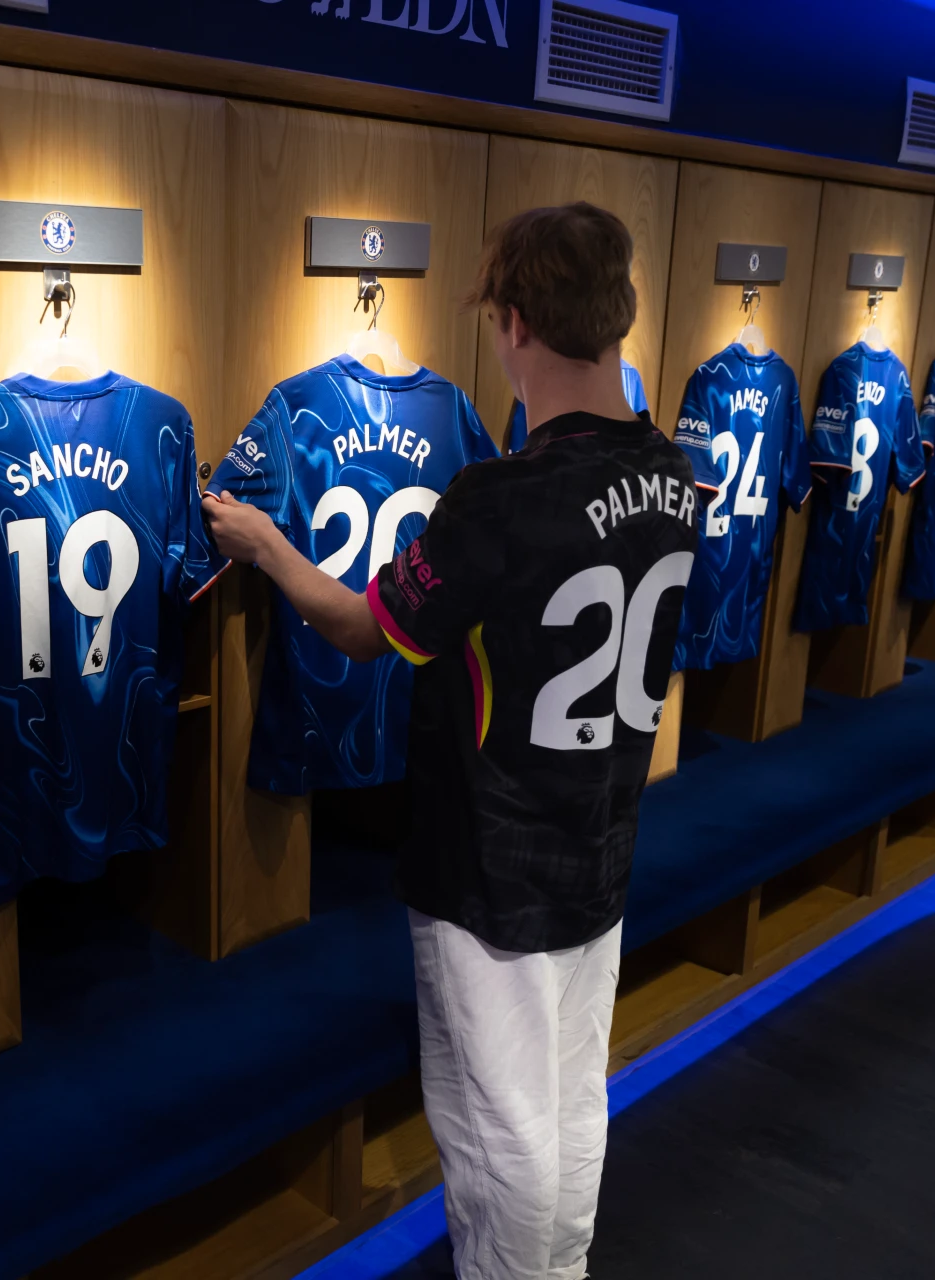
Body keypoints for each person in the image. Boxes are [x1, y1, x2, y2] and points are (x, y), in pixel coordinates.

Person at [204, 202, 696, 1280]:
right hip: (601, 845)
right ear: (618, 317)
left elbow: (365, 627)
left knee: (499, 1125)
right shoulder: (673, 472)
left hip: (491, 863)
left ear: (514, 321)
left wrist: (269, 545)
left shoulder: (498, 496)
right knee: (570, 1097)